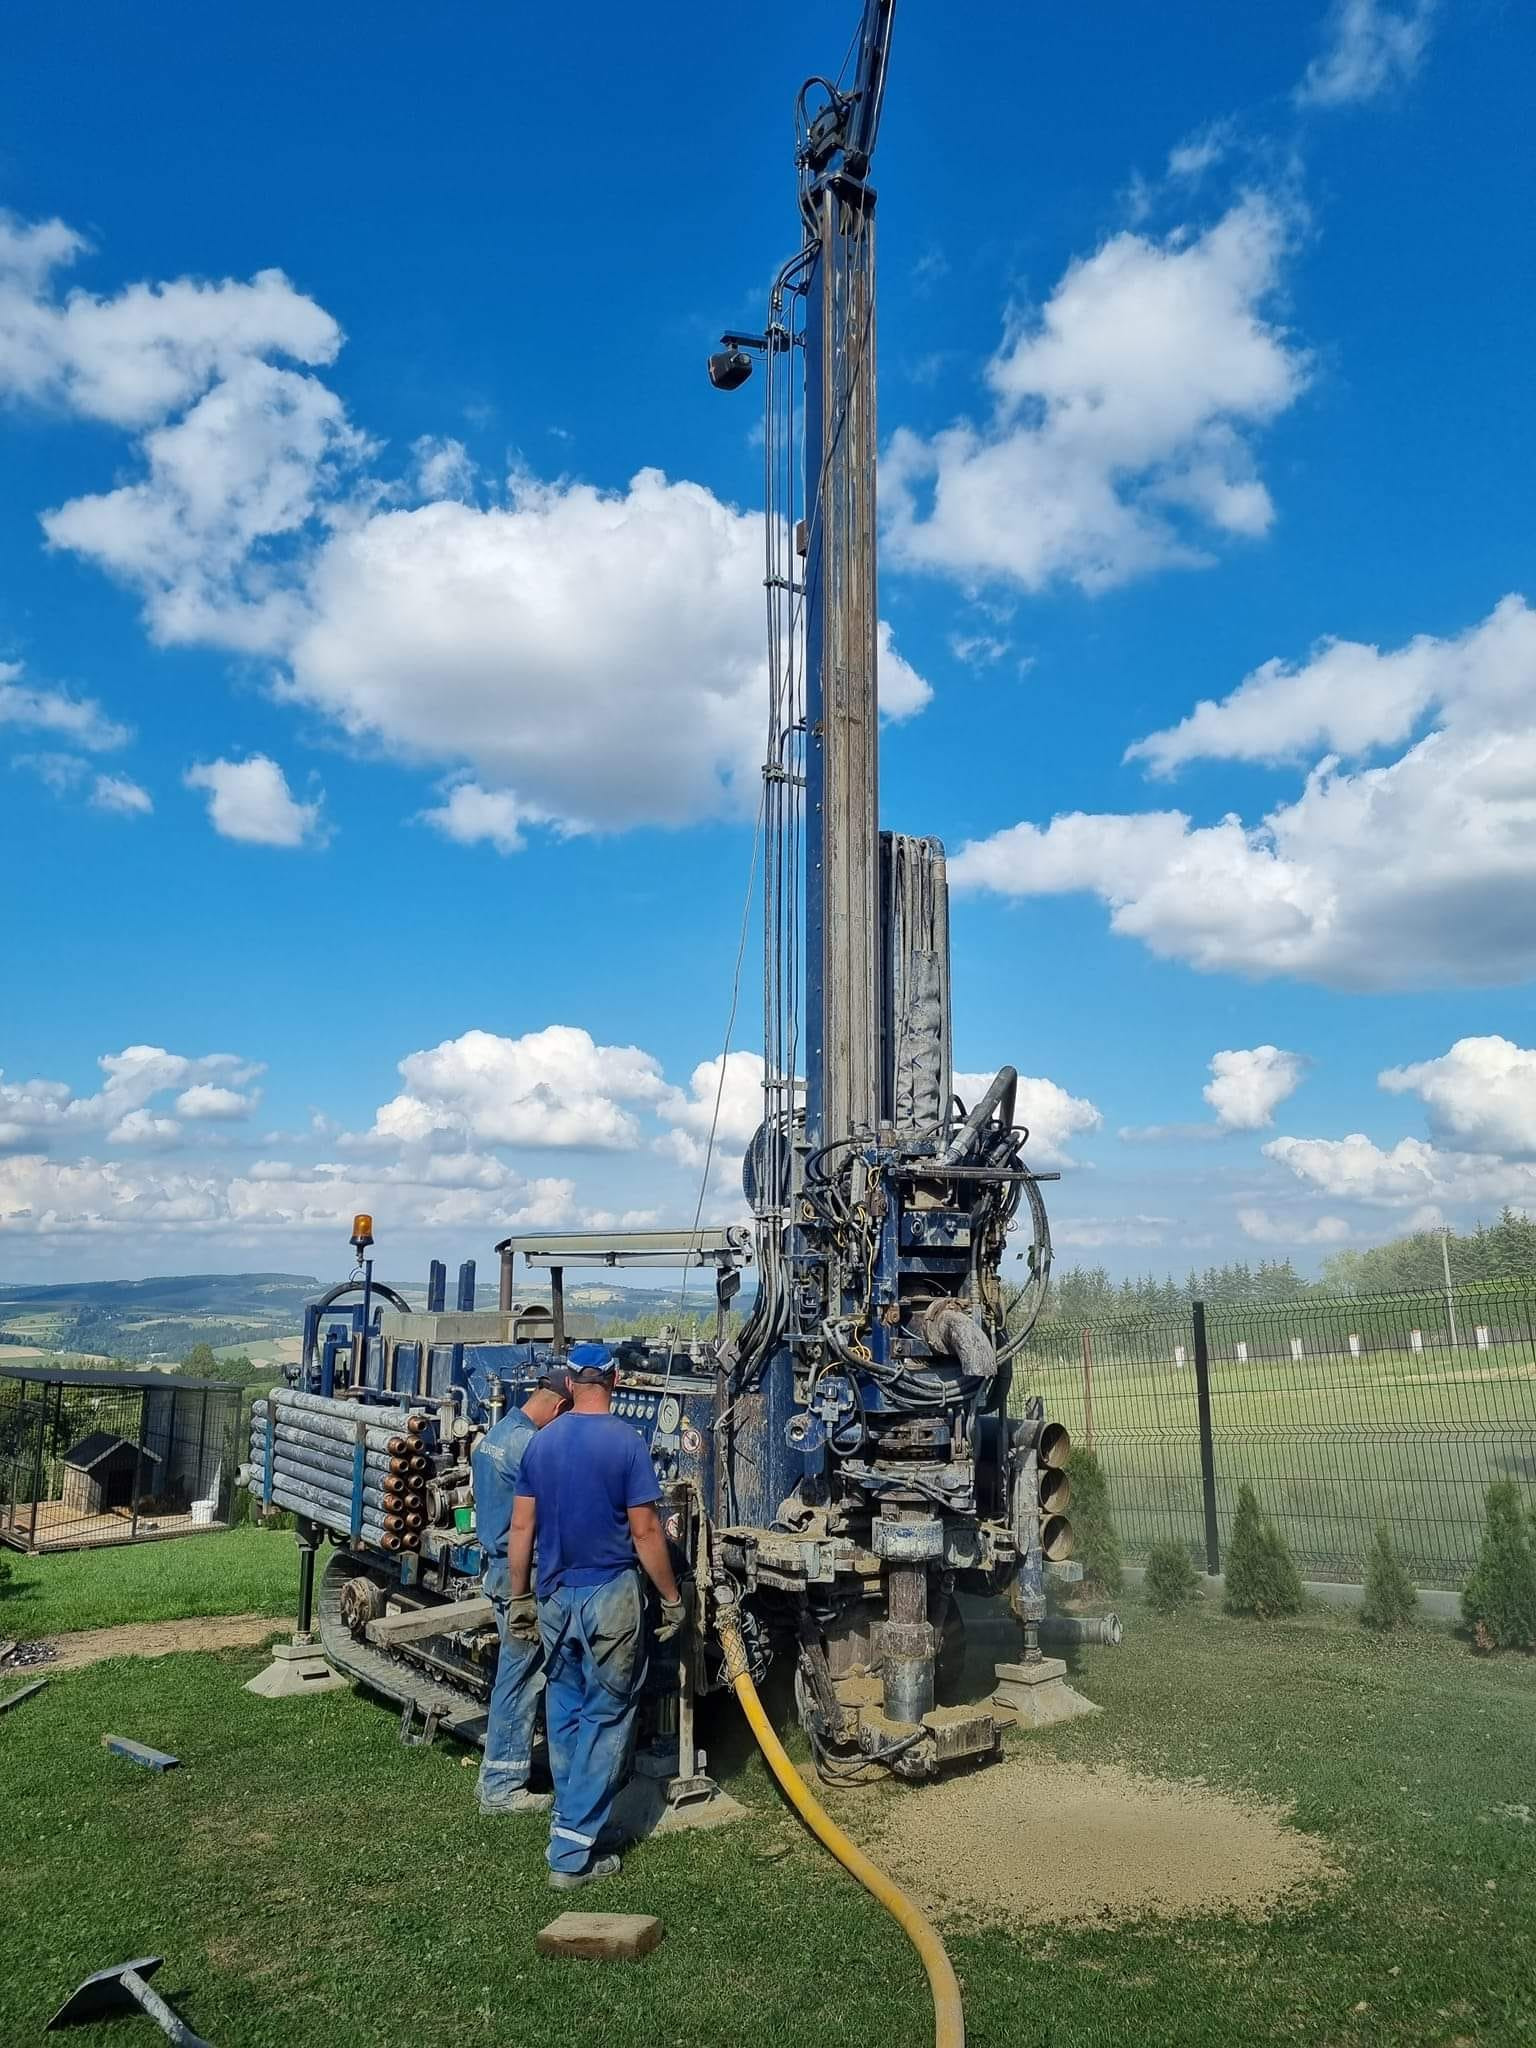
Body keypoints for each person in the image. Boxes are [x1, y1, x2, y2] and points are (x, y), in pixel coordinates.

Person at [507, 1340, 687, 1890]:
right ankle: (571, 1853)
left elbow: (521, 1529)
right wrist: (673, 1598)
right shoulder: (626, 1444)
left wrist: (519, 1597)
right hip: (610, 1597)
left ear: (570, 1381)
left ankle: (573, 1818)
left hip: (555, 1597)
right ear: (612, 1378)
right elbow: (647, 1532)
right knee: (609, 1715)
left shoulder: (541, 1443)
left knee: (565, 1710)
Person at [470, 1364, 571, 1815]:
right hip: (522, 1576)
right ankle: (501, 1787)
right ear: (560, 1405)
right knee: (523, 1677)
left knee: (516, 1675)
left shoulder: (497, 1434)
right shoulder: (531, 1446)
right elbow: (548, 1516)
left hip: (496, 1567)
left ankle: (504, 1771)